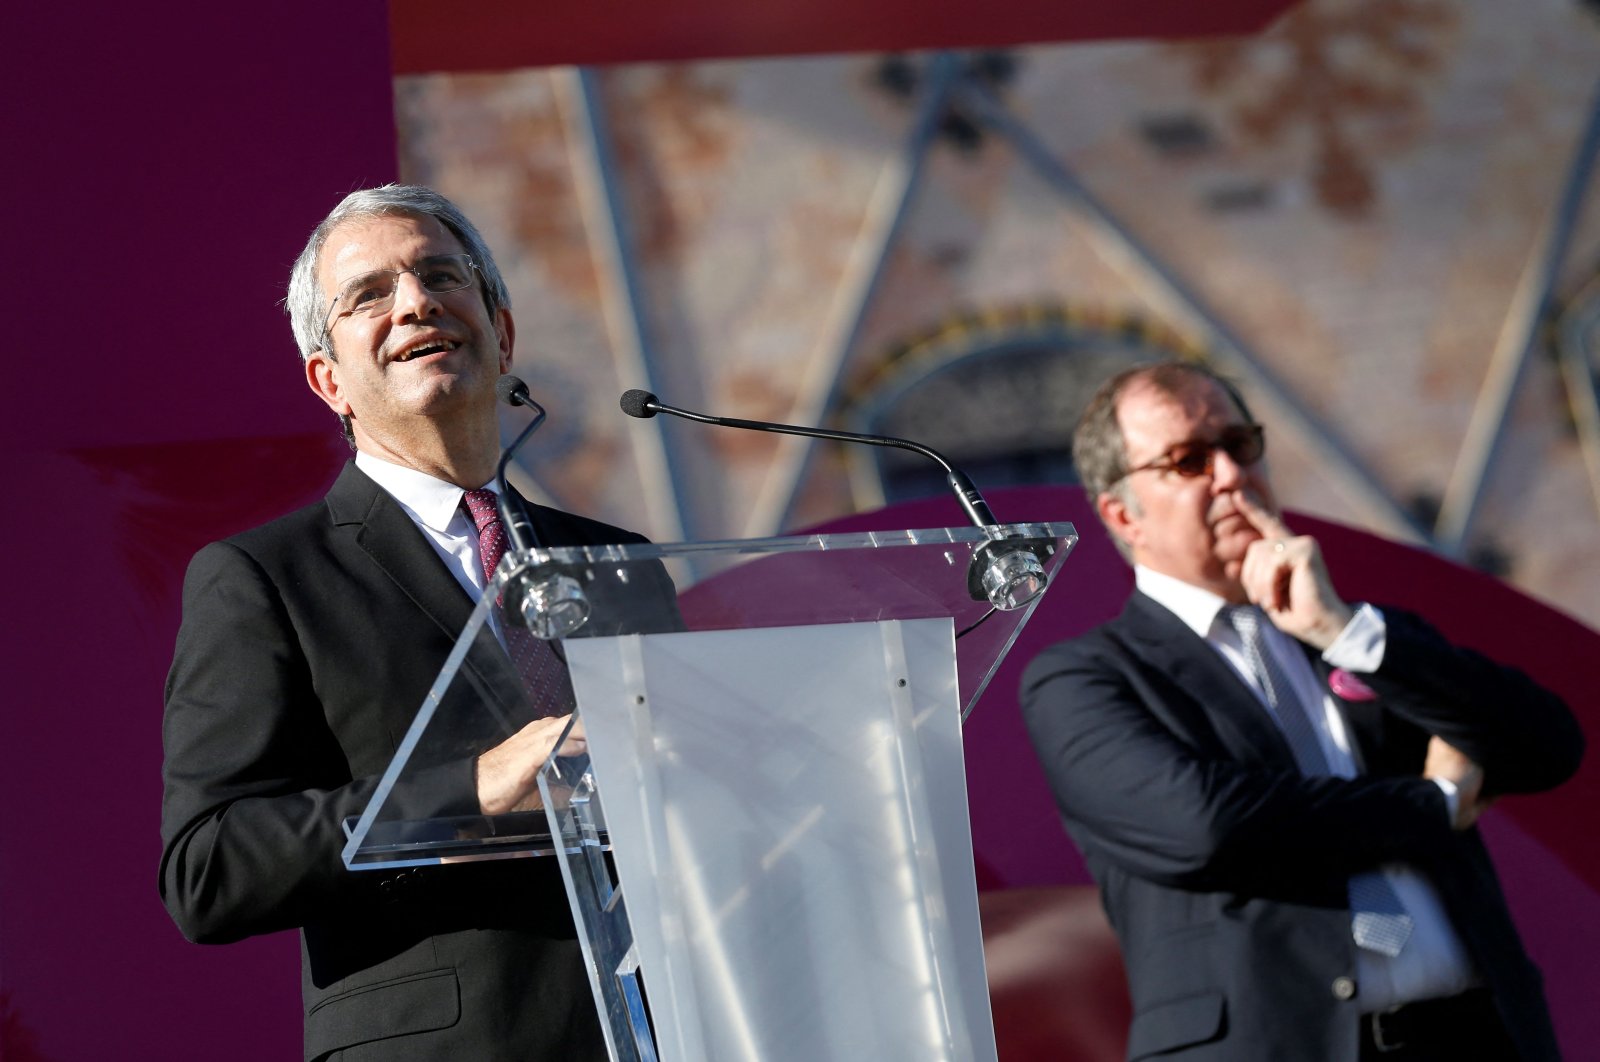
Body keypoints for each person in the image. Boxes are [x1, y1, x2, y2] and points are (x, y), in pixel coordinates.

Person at [160, 185, 665, 1060]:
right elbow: (210, 869)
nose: (416, 302)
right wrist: (471, 790)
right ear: (329, 381)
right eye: (368, 295)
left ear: (501, 335)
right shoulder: (265, 578)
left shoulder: (618, 563)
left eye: (441, 275)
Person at [1020, 360, 1584, 1061]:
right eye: (1189, 460)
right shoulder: (1087, 678)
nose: (1230, 475)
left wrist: (1344, 633)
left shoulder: (1355, 636)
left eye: (1241, 445)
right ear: (1122, 513)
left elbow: (1547, 745)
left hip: (1472, 1036)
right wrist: (1431, 804)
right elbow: (1210, 825)